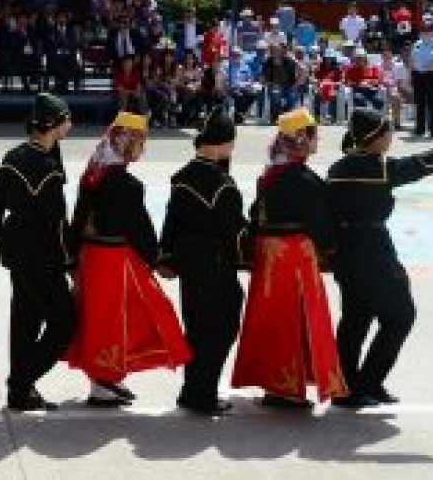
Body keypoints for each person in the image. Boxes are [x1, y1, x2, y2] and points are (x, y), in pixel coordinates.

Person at [328, 109, 433, 408]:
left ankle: (344, 387)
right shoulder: (380, 168)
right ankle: (368, 382)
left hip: (344, 251)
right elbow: (425, 163)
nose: (390, 137)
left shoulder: (336, 169)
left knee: (354, 319)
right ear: (373, 140)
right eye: (386, 132)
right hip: (373, 249)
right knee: (400, 315)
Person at [65, 111, 190, 407]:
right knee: (124, 317)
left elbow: (78, 219)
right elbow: (140, 228)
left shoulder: (92, 174)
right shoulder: (126, 184)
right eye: (140, 142)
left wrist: (71, 258)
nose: (142, 149)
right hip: (113, 259)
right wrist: (159, 260)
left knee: (96, 319)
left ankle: (105, 377)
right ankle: (103, 381)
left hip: (90, 257)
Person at [231, 109, 348, 409]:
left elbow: (255, 215)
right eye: (312, 134)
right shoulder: (305, 180)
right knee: (293, 319)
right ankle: (286, 388)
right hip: (294, 256)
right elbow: (321, 225)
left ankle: (276, 383)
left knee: (271, 318)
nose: (316, 139)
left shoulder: (271, 174)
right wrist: (332, 253)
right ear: (301, 139)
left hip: (269, 256)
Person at [0, 94, 76, 412]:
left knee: (26, 319)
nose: (70, 125)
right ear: (53, 125)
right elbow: (57, 222)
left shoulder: (13, 157)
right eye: (66, 119)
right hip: (42, 254)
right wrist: (71, 260)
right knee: (64, 321)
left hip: (15, 249)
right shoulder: (47, 169)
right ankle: (21, 381)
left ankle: (20, 393)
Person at [159, 109, 247, 415]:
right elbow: (235, 231)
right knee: (221, 328)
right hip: (216, 265)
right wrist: (251, 258)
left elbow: (171, 224)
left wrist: (166, 257)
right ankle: (203, 394)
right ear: (222, 143)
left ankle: (192, 389)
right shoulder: (222, 184)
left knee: (195, 328)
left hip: (189, 266)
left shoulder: (183, 177)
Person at [410, 21, 433, 138]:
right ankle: (420, 129)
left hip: (432, 75)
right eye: (423, 32)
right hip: (418, 75)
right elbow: (412, 60)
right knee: (420, 102)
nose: (425, 34)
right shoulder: (416, 44)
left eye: (428, 32)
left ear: (432, 33)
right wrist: (412, 72)